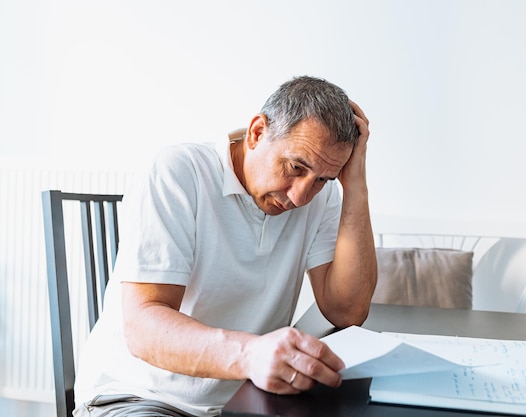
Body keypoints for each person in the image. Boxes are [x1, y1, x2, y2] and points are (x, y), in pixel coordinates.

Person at [73, 75, 377, 417]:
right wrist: (251, 354)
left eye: (323, 179)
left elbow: (347, 311)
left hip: (246, 402)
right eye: (295, 167)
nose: (300, 196)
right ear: (257, 132)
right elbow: (143, 329)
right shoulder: (179, 172)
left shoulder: (321, 198)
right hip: (142, 397)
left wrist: (356, 185)